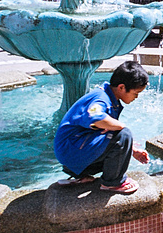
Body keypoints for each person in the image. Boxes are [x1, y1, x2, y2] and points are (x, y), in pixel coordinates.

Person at [53, 61, 150, 194]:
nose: (136, 97)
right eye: (135, 93)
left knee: (120, 136)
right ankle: (113, 183)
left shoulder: (110, 98)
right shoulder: (101, 98)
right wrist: (122, 126)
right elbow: (94, 115)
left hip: (71, 155)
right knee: (124, 134)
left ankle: (81, 176)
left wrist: (133, 150)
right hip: (71, 152)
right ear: (122, 87)